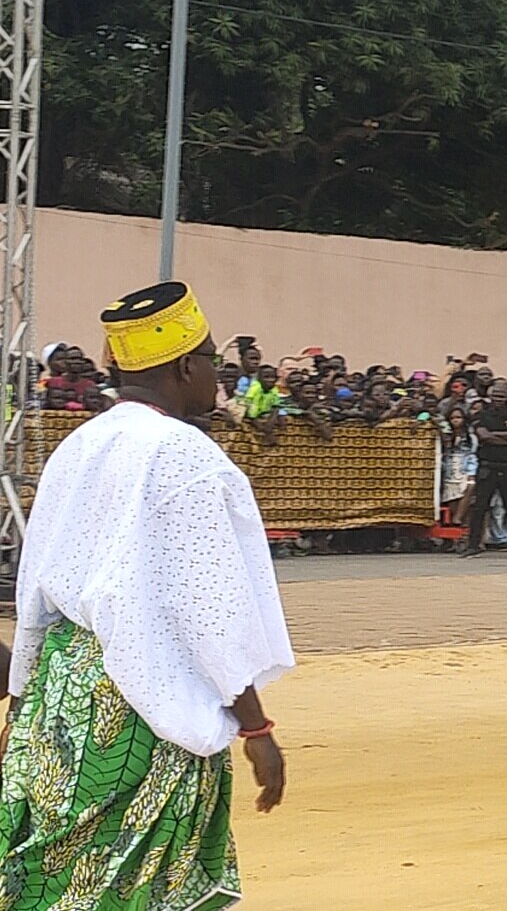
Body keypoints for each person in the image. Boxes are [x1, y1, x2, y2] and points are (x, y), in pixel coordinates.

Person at [3, 282, 293, 907]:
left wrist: (22, 703)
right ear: (187, 366)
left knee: (55, 877)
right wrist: (256, 728)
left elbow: (35, 590)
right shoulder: (187, 455)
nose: (219, 376)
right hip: (139, 705)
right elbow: (207, 612)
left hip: (63, 699)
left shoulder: (76, 447)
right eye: (213, 359)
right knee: (136, 887)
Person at [463, 381, 507, 558]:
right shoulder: (482, 415)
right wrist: (505, 437)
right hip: (488, 467)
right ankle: (473, 545)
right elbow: (483, 436)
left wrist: (495, 436)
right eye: (495, 396)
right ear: (490, 396)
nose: (498, 399)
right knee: (479, 508)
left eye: (502, 396)